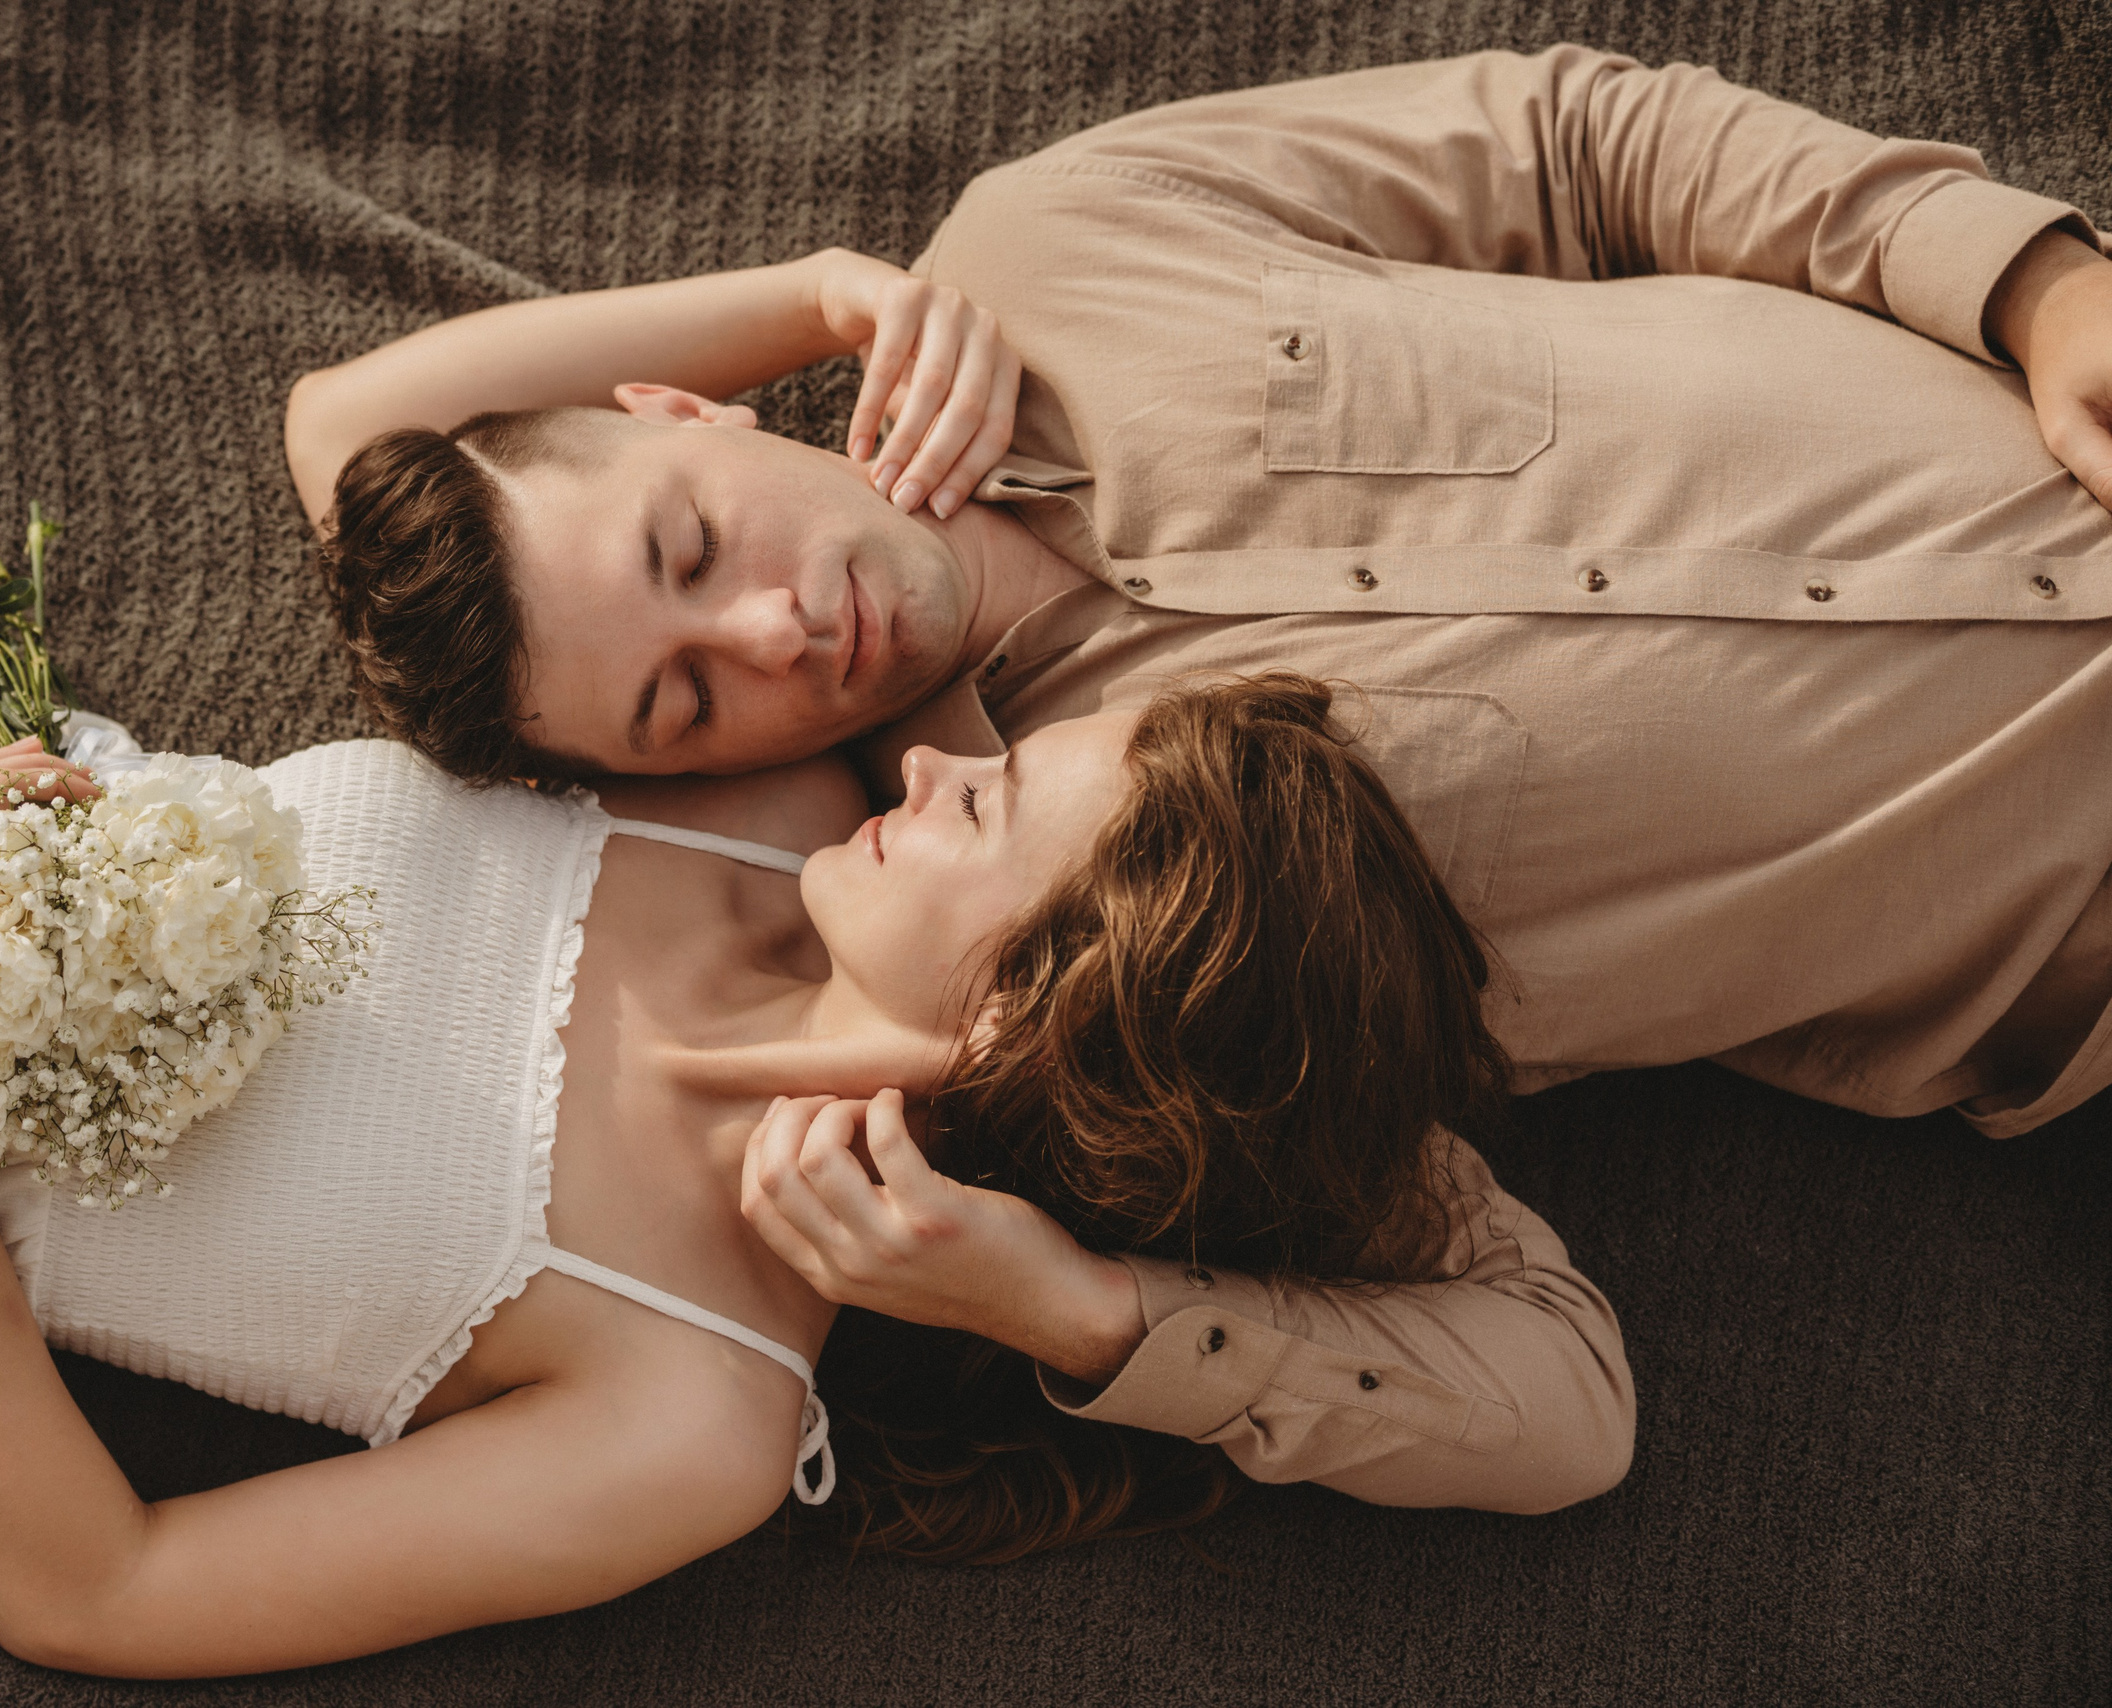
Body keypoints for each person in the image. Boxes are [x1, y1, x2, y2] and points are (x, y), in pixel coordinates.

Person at [286, 44, 2112, 1449]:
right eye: (688, 700)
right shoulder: (1105, 927)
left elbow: (1575, 140)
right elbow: (1545, 1379)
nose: (777, 630)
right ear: (664, 778)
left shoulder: (1048, 245)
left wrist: (2040, 290)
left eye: (693, 540)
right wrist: (1080, 1311)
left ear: (682, 407)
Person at [0, 560, 1629, 1676]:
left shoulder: (687, 1412)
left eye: (995, 800)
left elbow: (91, 1592)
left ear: (1027, 1013)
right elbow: (390, 436)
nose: (940, 762)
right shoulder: (753, 789)